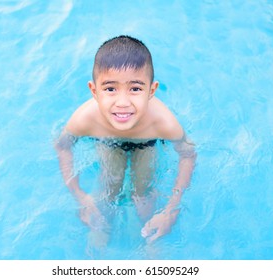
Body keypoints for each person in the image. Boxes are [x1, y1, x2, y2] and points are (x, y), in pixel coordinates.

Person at [55, 35, 196, 244]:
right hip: (107, 142)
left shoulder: (162, 122)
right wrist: (81, 197)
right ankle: (101, 235)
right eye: (110, 89)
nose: (123, 102)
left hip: (146, 143)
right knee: (107, 192)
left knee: (143, 196)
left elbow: (188, 154)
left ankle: (151, 239)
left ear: (151, 91)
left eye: (136, 89)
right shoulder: (85, 118)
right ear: (94, 91)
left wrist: (170, 209)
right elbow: (62, 146)